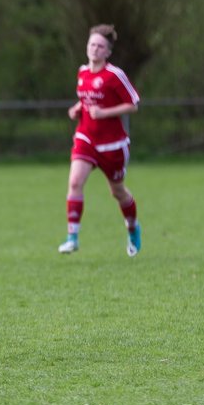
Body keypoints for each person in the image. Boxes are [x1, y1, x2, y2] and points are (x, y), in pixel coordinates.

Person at [59, 24, 142, 256]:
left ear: (108, 52)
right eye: (92, 45)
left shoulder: (114, 75)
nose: (95, 49)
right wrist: (77, 109)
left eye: (100, 46)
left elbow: (133, 104)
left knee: (117, 192)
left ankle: (133, 227)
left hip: (112, 145)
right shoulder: (82, 72)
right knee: (75, 182)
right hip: (86, 137)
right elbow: (86, 101)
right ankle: (72, 237)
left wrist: (104, 113)